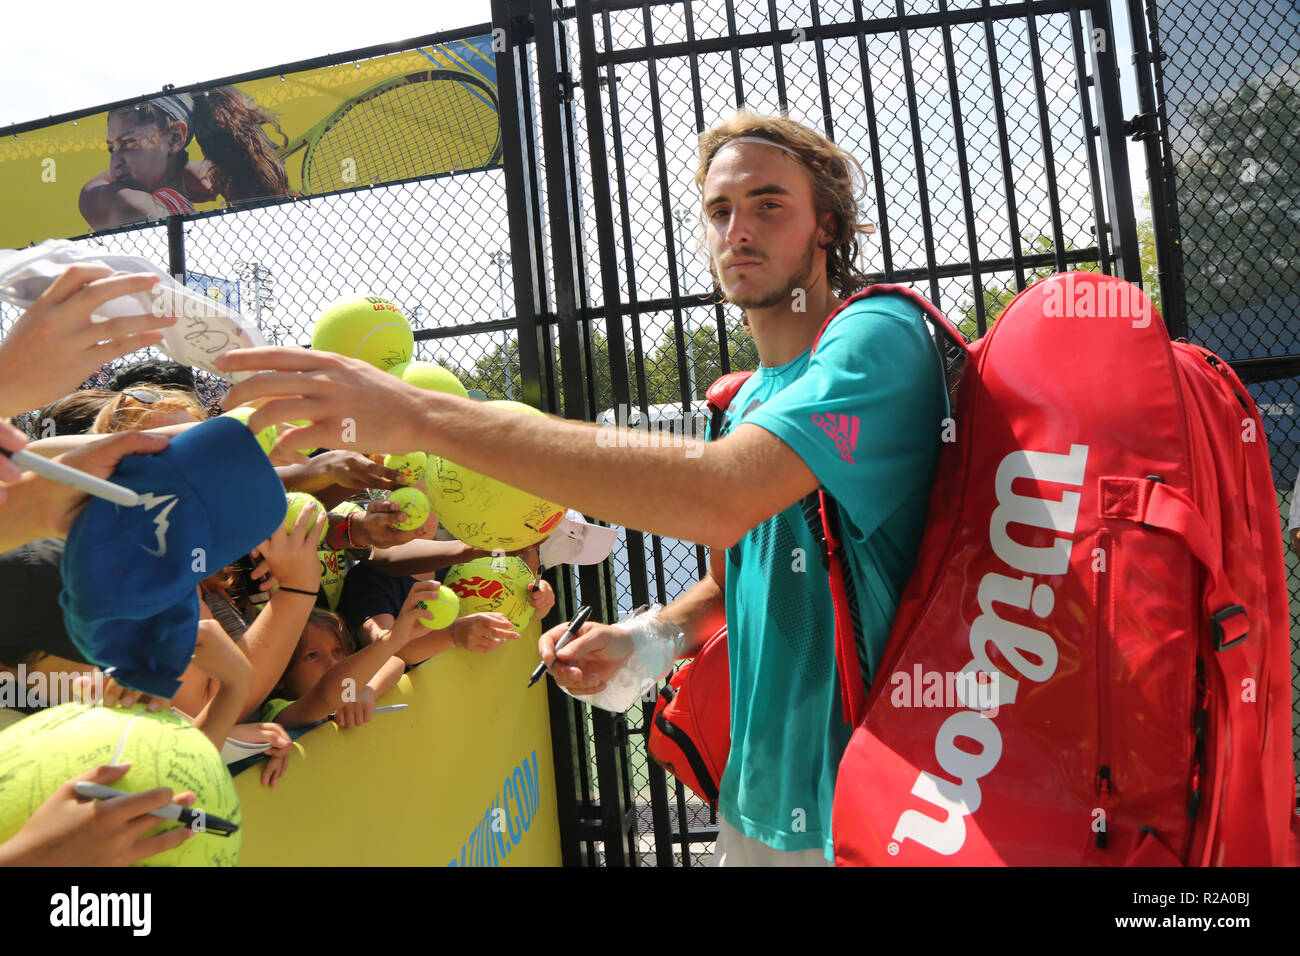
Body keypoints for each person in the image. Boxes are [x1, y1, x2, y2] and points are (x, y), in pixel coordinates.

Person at [215, 111, 947, 865]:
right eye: (720, 211)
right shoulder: (748, 398)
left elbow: (721, 496)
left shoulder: (875, 336)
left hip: (885, 809)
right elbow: (729, 588)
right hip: (757, 803)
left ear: (827, 226)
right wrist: (640, 643)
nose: (738, 230)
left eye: (769, 204)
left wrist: (423, 417)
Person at [79, 88, 290, 231]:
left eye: (128, 142)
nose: (115, 162)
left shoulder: (138, 205)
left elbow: (89, 193)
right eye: (111, 148)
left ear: (175, 138)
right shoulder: (180, 204)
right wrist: (181, 168)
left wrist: (184, 169)